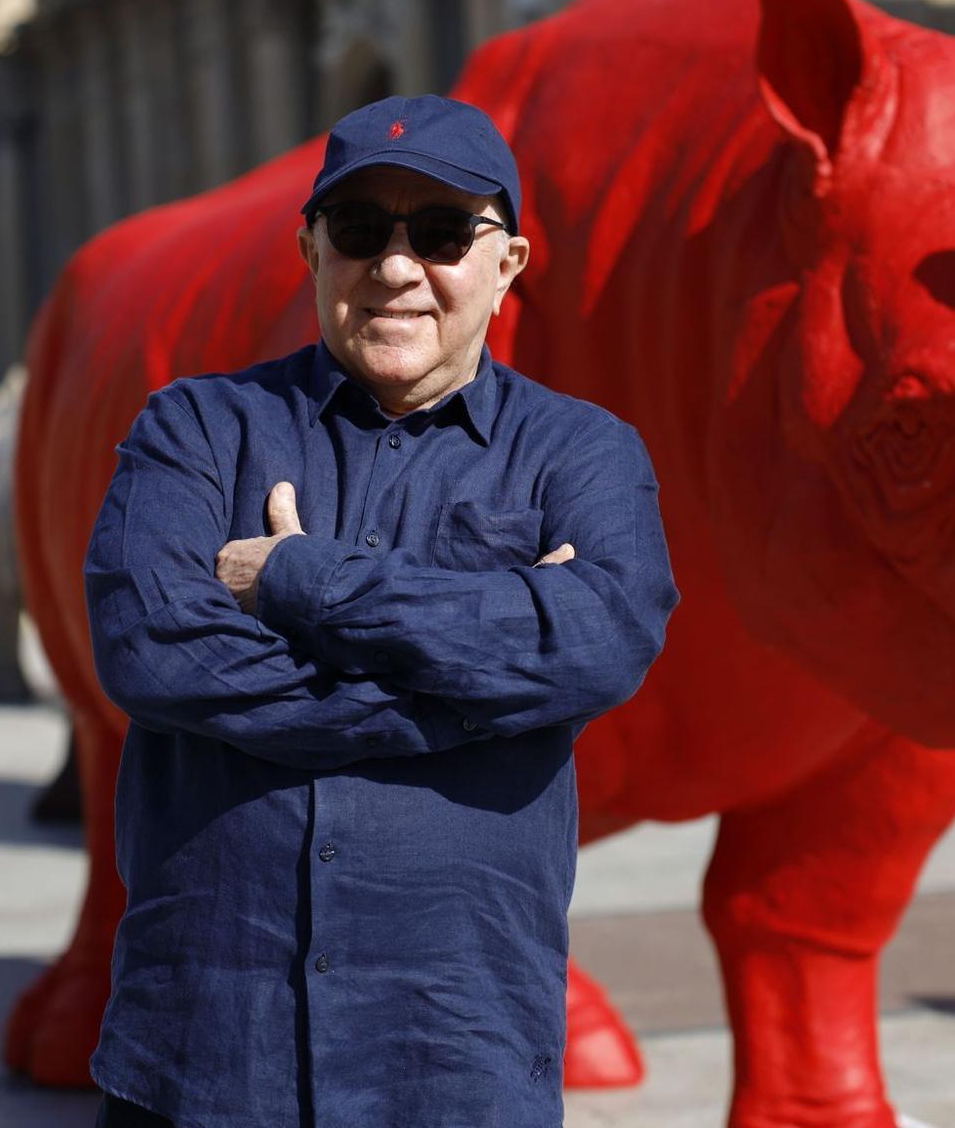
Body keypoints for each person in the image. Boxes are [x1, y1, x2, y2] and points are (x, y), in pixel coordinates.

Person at [84, 94, 679, 1126]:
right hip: (206, 1046)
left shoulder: (579, 454)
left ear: (509, 263)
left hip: (451, 1048)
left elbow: (598, 639)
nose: (397, 267)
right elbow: (151, 648)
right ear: (310, 248)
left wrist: (297, 581)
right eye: (361, 230)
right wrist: (468, 696)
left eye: (443, 232)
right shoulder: (194, 429)